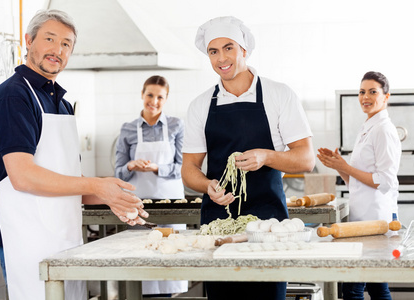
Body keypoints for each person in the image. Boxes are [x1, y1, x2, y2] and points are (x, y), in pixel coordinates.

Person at [0, 9, 147, 300]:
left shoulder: (60, 101)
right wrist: (97, 185)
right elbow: (22, 176)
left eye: (66, 44)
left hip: (63, 235)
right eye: (50, 39)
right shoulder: (14, 96)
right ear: (29, 41)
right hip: (26, 237)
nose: (57, 50)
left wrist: (114, 196)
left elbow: (68, 180)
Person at [182, 16, 315, 300]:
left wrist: (266, 156)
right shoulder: (201, 105)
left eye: (228, 48)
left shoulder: (279, 95)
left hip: (269, 226)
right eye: (213, 51)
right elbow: (189, 168)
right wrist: (207, 186)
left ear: (244, 50)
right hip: (219, 222)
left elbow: (306, 159)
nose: (221, 58)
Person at [318, 71, 399, 300]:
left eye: (373, 91)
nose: (366, 96)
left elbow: (384, 180)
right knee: (376, 286)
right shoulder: (368, 127)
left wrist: (346, 166)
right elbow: (356, 182)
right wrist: (338, 166)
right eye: (362, 92)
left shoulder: (384, 129)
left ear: (386, 97)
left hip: (376, 219)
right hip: (363, 218)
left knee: (353, 289)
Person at [115, 75, 188, 297]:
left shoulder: (177, 125)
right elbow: (118, 173)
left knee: (170, 260)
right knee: (143, 262)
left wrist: (158, 168)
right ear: (142, 94)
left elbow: (184, 167)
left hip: (172, 206)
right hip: (138, 208)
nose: (154, 101)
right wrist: (131, 165)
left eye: (160, 97)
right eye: (149, 95)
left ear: (166, 99)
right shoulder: (128, 129)